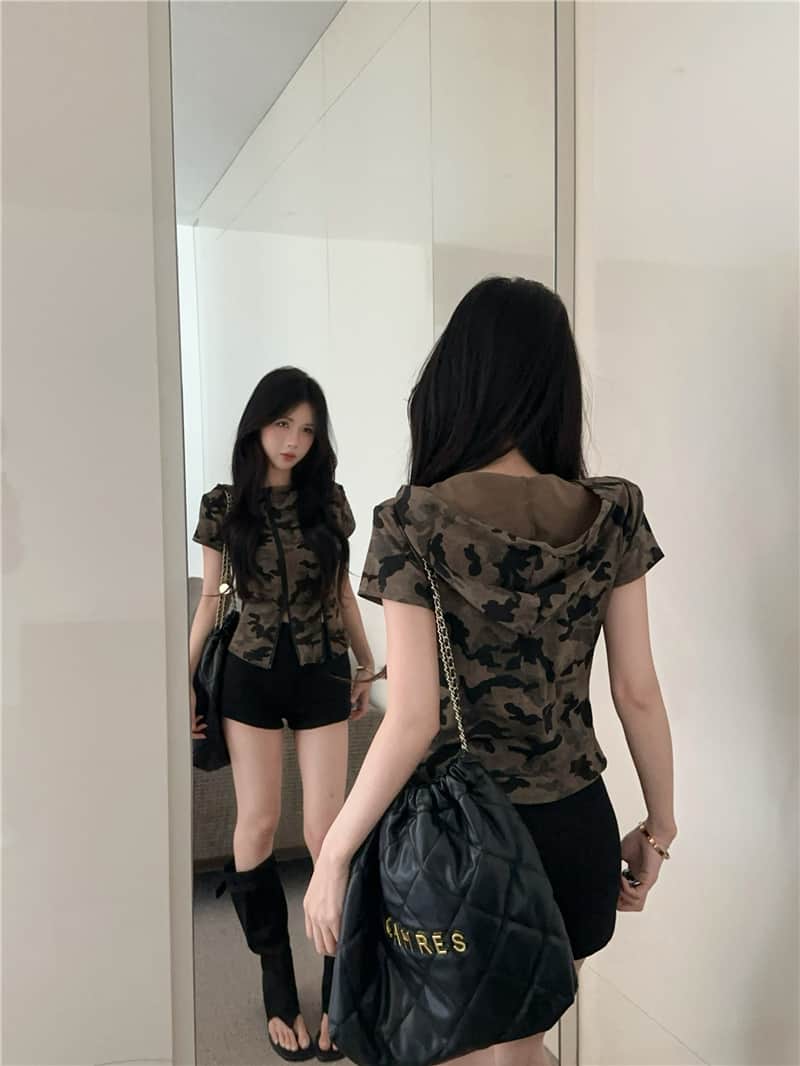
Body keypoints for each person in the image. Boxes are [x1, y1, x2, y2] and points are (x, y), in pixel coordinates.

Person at [304, 277, 677, 1066]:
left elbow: (412, 719)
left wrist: (334, 852)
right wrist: (659, 825)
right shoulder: (614, 513)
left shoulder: (411, 521)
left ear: (456, 379)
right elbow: (637, 691)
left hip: (458, 844)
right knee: (524, 1052)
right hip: (574, 829)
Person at [189, 367, 375, 1062]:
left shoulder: (330, 503)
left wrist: (365, 662)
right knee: (259, 821)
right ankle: (275, 981)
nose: (293, 440)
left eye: (307, 429)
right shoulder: (223, 506)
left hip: (322, 670)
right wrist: (185, 680)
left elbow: (342, 593)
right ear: (257, 426)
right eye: (281, 424)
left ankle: (336, 987)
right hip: (250, 673)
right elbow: (212, 600)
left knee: (328, 831)